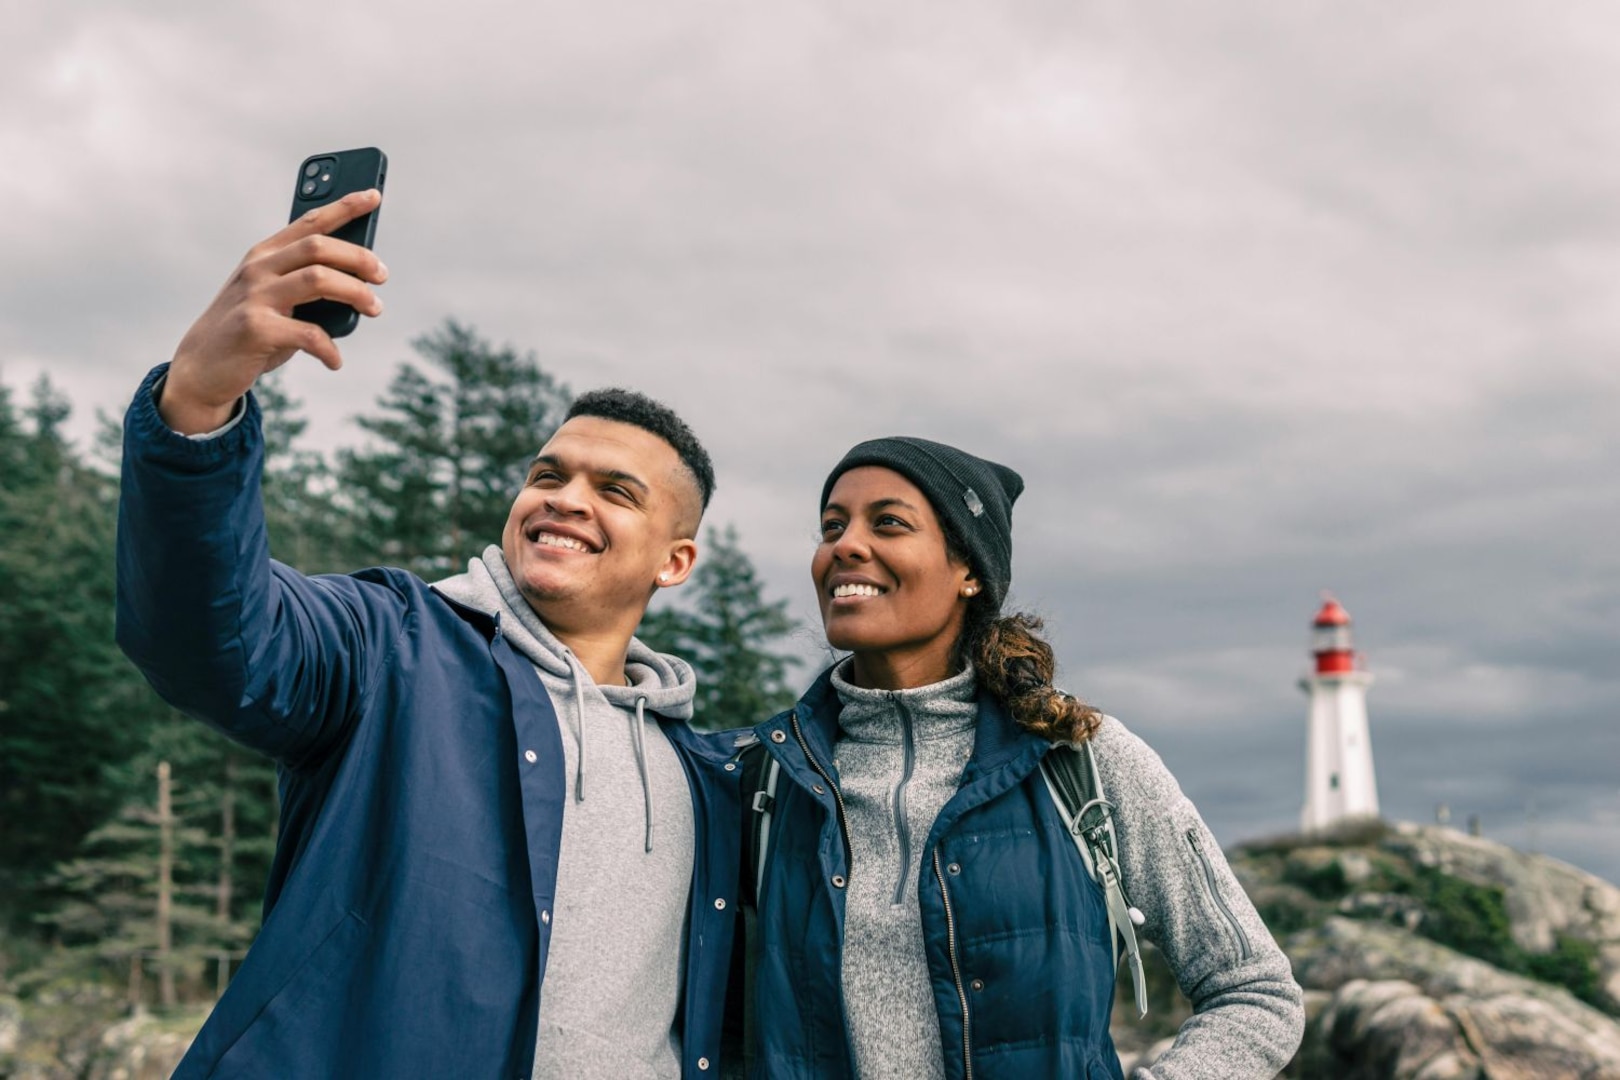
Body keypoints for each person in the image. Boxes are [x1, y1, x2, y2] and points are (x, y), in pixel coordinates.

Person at [116, 189, 742, 1078]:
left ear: (674, 562)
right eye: (548, 474)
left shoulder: (710, 781)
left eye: (616, 491)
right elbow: (208, 636)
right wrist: (197, 405)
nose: (564, 498)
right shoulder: (391, 645)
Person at [743, 436, 1305, 1078]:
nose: (844, 545)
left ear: (969, 571)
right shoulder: (767, 780)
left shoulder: (1083, 761)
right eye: (831, 526)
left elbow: (1256, 990)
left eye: (889, 523)